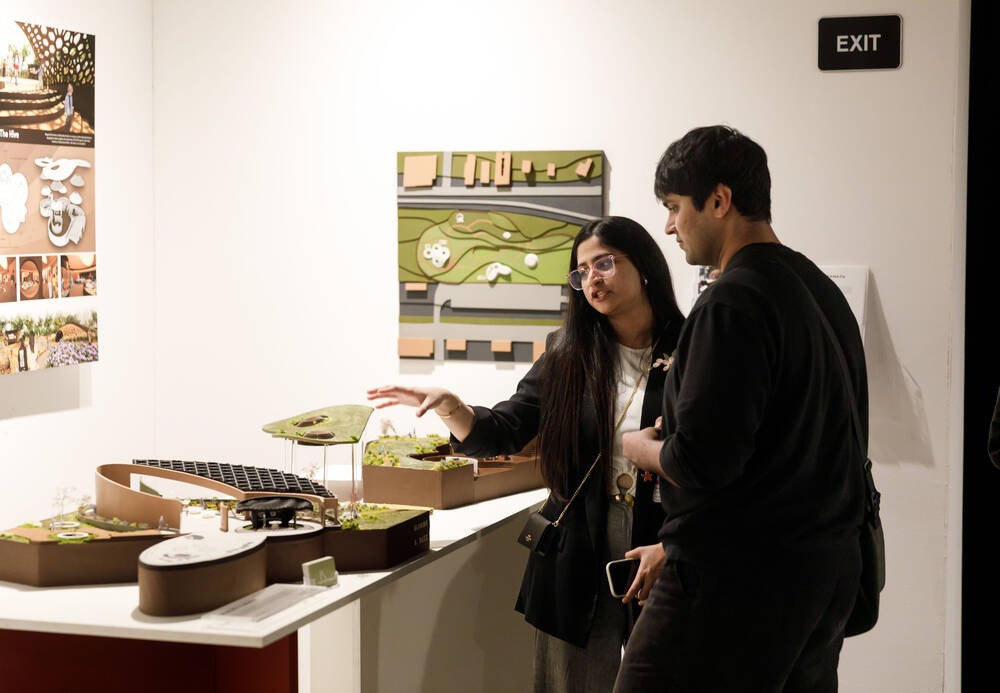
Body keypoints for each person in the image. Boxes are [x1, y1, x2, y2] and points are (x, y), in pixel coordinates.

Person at [368, 216, 684, 693]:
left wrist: (676, 545)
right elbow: (505, 429)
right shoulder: (568, 352)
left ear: (644, 266)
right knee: (570, 681)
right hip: (581, 535)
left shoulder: (693, 347)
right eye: (581, 272)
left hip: (660, 538)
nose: (592, 279)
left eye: (604, 263)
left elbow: (721, 462)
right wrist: (452, 408)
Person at [614, 125, 867, 692]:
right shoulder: (817, 288)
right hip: (821, 571)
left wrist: (640, 447)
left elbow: (704, 462)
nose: (669, 226)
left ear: (719, 201)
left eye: (674, 207)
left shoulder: (732, 299)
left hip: (733, 581)